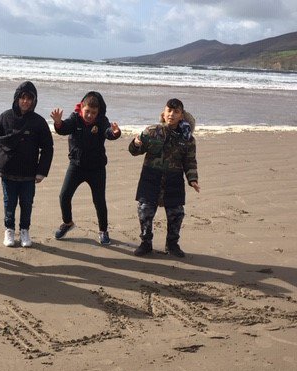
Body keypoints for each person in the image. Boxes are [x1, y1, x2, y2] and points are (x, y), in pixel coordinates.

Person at [128, 98, 200, 257]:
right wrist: (136, 143)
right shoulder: (152, 131)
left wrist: (192, 179)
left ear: (181, 115)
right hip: (150, 178)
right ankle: (146, 243)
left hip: (173, 180)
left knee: (176, 213)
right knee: (145, 211)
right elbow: (134, 151)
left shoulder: (187, 139)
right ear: (163, 113)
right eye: (169, 111)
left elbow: (190, 161)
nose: (172, 114)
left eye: (176, 112)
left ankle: (172, 244)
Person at [50, 91, 121, 245]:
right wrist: (58, 123)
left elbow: (108, 132)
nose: (89, 115)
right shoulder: (75, 119)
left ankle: (103, 230)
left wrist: (115, 133)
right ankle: (67, 223)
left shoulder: (101, 121)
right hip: (76, 166)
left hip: (97, 168)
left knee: (99, 201)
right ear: (81, 108)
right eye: (87, 111)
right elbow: (64, 128)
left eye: (93, 113)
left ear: (98, 112)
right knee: (64, 196)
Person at [0, 81, 53, 248]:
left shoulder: (39, 122)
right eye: (22, 98)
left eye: (29, 98)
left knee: (26, 203)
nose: (25, 101)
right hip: (7, 171)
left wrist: (42, 171)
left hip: (29, 174)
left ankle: (25, 230)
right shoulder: (5, 117)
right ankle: (9, 230)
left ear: (34, 101)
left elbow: (48, 148)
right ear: (16, 99)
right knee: (9, 203)